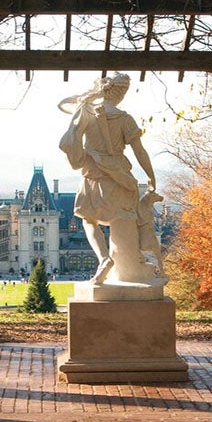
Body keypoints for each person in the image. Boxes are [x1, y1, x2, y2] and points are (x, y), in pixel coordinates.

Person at [59, 73, 157, 285]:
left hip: (93, 173)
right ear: (121, 94)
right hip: (119, 175)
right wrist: (150, 175)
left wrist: (89, 97)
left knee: (89, 220)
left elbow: (63, 106)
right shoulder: (125, 119)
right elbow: (140, 152)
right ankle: (133, 264)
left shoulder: (87, 111)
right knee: (121, 224)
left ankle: (104, 259)